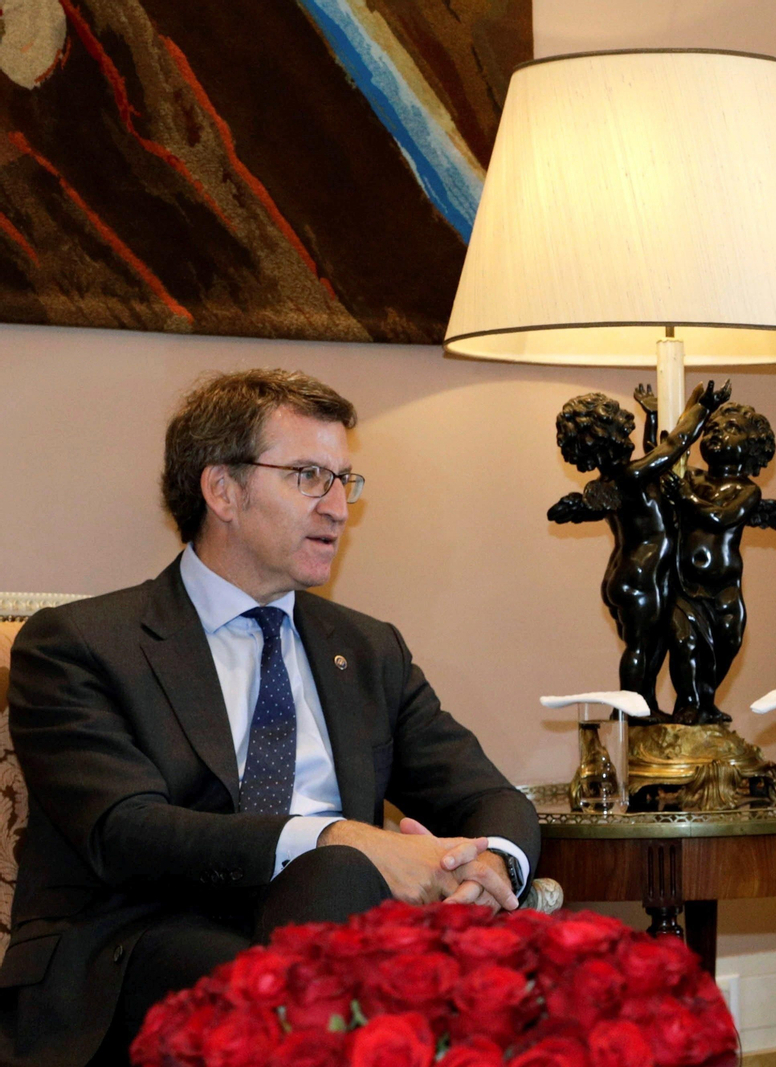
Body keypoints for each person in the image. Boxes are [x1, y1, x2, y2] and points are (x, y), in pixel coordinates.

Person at [0, 370, 541, 1067]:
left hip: (332, 922)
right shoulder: (80, 643)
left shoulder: (366, 648)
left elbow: (483, 791)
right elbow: (126, 832)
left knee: (345, 890)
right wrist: (342, 836)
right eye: (310, 476)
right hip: (138, 941)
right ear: (221, 488)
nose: (340, 507)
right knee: (341, 878)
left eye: (347, 479)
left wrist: (489, 862)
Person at [547, 381, 730, 721]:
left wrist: (653, 415)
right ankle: (629, 711)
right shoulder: (630, 477)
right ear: (611, 436)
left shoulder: (621, 479)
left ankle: (644, 707)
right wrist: (703, 408)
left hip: (630, 574)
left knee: (653, 646)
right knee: (642, 647)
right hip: (641, 575)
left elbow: (657, 453)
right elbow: (673, 446)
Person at [666, 402, 776, 725]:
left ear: (751, 447)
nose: (719, 432)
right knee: (683, 643)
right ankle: (688, 703)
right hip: (686, 586)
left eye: (732, 428)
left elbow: (720, 517)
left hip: (724, 592)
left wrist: (686, 499)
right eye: (712, 427)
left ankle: (706, 701)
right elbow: (662, 461)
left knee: (724, 646)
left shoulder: (747, 490)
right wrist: (657, 420)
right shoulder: (690, 478)